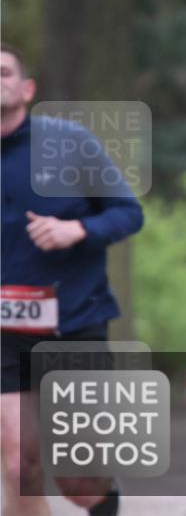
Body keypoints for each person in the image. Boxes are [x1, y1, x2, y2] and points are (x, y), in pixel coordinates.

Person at [0, 43, 144, 516]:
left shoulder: (69, 144)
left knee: (80, 479)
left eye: (3, 72)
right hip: (4, 336)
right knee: (20, 467)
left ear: (27, 88)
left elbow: (127, 213)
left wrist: (76, 229)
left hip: (74, 323)